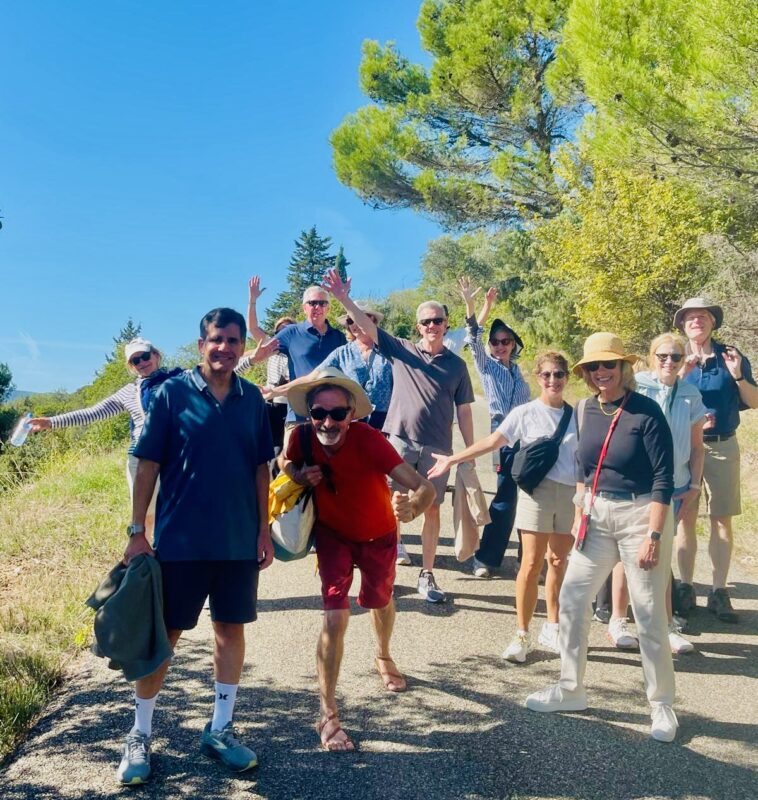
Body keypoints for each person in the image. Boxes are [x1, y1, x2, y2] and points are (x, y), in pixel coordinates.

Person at [116, 308, 274, 784]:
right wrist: (136, 530)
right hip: (180, 542)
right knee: (165, 640)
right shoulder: (170, 394)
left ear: (242, 346)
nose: (223, 347)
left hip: (236, 542)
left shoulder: (252, 400)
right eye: (215, 339)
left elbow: (260, 468)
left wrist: (263, 530)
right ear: (201, 343)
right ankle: (139, 734)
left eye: (232, 340)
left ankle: (220, 730)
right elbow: (147, 464)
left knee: (231, 633)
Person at [526, 332, 679, 744]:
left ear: (623, 368)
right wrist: (580, 513)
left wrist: (654, 533)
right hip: (596, 516)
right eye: (594, 367)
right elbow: (582, 466)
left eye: (609, 365)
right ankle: (571, 688)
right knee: (573, 601)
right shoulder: (583, 409)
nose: (601, 373)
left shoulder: (646, 413)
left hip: (640, 514)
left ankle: (661, 703)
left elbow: (665, 478)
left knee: (648, 614)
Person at [281, 367, 435, 751]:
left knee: (380, 601)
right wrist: (299, 474)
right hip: (333, 537)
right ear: (309, 414)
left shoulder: (369, 440)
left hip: (379, 535)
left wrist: (413, 508)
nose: (328, 422)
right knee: (335, 614)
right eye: (319, 413)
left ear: (352, 415)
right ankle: (328, 712)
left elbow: (424, 486)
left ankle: (383, 655)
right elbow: (285, 463)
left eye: (337, 414)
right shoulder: (301, 437)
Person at [322, 268, 475, 604]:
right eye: (425, 322)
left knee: (431, 509)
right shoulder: (403, 350)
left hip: (437, 449)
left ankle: (427, 573)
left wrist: (469, 452)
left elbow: (464, 410)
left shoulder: (457, 366)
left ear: (446, 323)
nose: (431, 326)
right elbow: (366, 325)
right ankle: (386, 568)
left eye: (437, 320)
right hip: (400, 441)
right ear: (418, 327)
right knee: (390, 504)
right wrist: (342, 297)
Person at [429, 352, 576, 662]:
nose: (553, 380)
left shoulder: (577, 416)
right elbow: (494, 441)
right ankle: (522, 634)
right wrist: (454, 458)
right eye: (547, 375)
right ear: (538, 378)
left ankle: (553, 626)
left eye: (559, 374)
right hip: (536, 494)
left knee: (559, 561)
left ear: (567, 378)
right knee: (532, 563)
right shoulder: (526, 412)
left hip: (568, 494)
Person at [28, 337, 181, 536]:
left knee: (179, 510)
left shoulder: (180, 379)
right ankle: (144, 559)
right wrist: (51, 422)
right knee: (145, 515)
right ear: (131, 366)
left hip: (176, 456)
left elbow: (215, 373)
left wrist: (232, 357)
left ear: (156, 355)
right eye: (136, 361)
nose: (142, 363)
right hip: (141, 459)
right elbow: (93, 413)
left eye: (144, 356)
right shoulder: (129, 392)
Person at [674, 297, 758, 623]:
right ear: (682, 324)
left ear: (712, 323)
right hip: (685, 446)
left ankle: (719, 590)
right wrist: (683, 370)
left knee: (721, 519)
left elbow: (753, 401)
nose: (697, 321)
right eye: (690, 318)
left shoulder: (731, 356)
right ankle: (684, 586)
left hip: (723, 444)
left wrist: (738, 376)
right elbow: (661, 397)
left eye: (703, 317)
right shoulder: (674, 355)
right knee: (685, 518)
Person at [633, 332, 705, 653]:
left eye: (675, 357)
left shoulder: (690, 394)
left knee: (660, 557)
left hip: (675, 487)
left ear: (683, 361)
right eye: (662, 356)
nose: (668, 362)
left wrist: (694, 484)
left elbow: (697, 447)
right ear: (652, 358)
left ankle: (665, 625)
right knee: (631, 553)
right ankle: (621, 618)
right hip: (639, 485)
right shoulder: (638, 385)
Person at [459, 279, 530, 578]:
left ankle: (528, 558)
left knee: (529, 496)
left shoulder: (519, 373)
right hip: (503, 432)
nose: (501, 346)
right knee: (504, 498)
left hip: (528, 436)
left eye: (506, 341)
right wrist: (475, 305)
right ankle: (485, 558)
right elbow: (473, 335)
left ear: (514, 344)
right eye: (496, 341)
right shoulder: (486, 366)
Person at [264, 301, 392, 431]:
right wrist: (273, 392)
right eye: (350, 320)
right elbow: (311, 378)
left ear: (373, 320)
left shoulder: (390, 350)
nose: (354, 324)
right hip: (351, 423)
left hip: (386, 423)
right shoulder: (341, 353)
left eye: (359, 317)